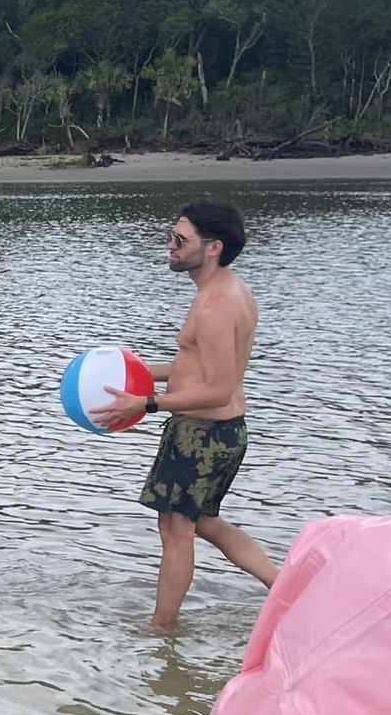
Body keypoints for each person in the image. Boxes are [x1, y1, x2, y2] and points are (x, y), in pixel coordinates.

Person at [93, 201, 279, 632]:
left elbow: (218, 386)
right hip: (220, 431)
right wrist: (133, 368)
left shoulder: (217, 305)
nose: (170, 247)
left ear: (213, 247)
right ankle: (286, 585)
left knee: (176, 532)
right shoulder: (228, 291)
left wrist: (145, 404)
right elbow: (196, 366)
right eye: (171, 237)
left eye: (180, 240)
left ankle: (160, 630)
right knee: (204, 523)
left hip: (203, 433)